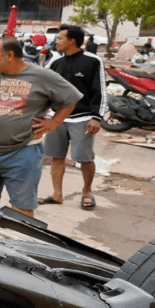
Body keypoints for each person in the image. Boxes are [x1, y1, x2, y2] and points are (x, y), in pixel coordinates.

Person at [0, 36, 84, 217]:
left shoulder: (42, 76)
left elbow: (70, 98)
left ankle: (17, 236)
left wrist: (55, 122)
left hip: (21, 153)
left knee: (22, 209)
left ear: (9, 56)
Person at [38, 25, 105, 209]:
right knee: (56, 157)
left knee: (84, 158)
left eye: (60, 38)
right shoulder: (56, 63)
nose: (56, 41)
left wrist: (96, 117)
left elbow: (100, 91)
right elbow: (45, 90)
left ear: (72, 41)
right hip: (57, 118)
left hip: (82, 118)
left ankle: (87, 192)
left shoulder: (93, 61)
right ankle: (57, 194)